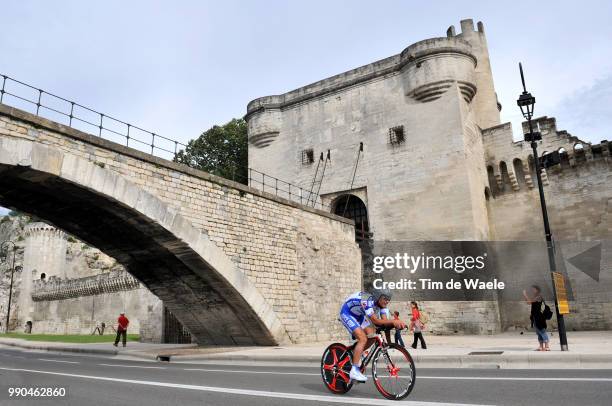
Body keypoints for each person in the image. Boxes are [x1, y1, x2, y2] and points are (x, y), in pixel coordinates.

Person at [339, 289, 406, 382]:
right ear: (378, 297)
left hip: (359, 316)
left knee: (373, 336)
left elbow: (384, 322)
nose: (387, 301)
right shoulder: (367, 300)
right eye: (385, 298)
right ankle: (354, 370)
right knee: (362, 339)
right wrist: (394, 321)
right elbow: (376, 321)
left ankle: (355, 354)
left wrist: (394, 327)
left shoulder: (383, 306)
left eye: (388, 299)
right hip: (347, 313)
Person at [523, 285, 550, 351]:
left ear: (537, 290)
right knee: (538, 332)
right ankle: (541, 346)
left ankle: (547, 346)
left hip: (540, 317)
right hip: (535, 317)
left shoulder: (539, 297)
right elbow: (528, 303)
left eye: (533, 289)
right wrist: (526, 296)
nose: (532, 291)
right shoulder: (535, 297)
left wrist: (525, 294)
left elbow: (529, 302)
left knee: (542, 331)